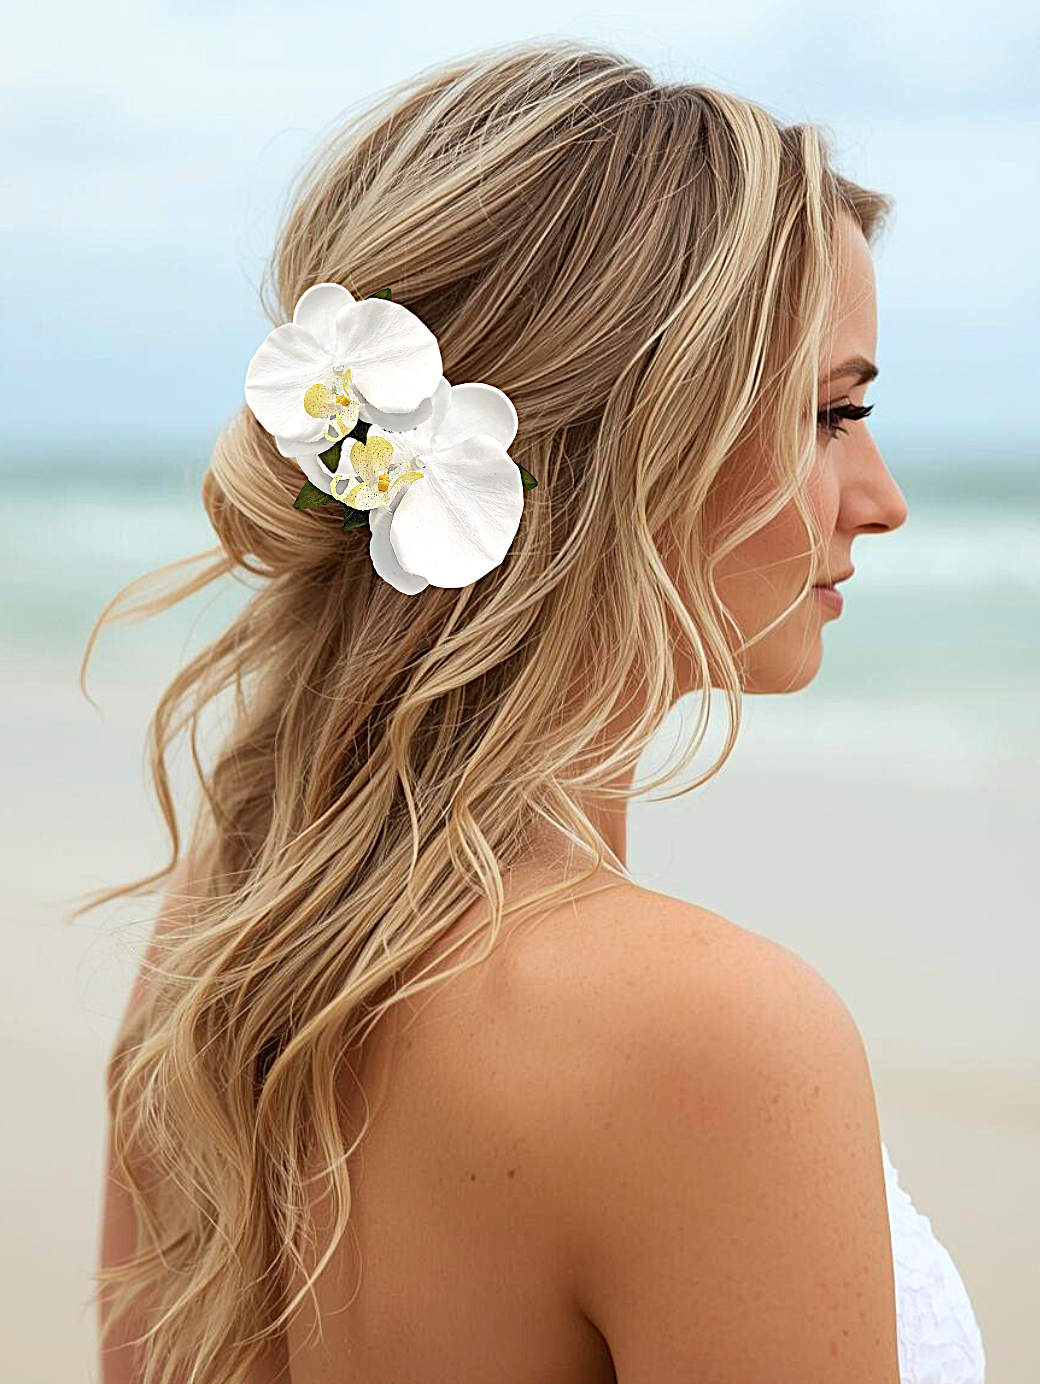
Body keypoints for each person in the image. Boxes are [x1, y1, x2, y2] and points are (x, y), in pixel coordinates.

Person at [89, 38, 986, 1384]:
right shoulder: (717, 1035)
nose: (882, 497)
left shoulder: (228, 943)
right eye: (832, 415)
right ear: (641, 436)